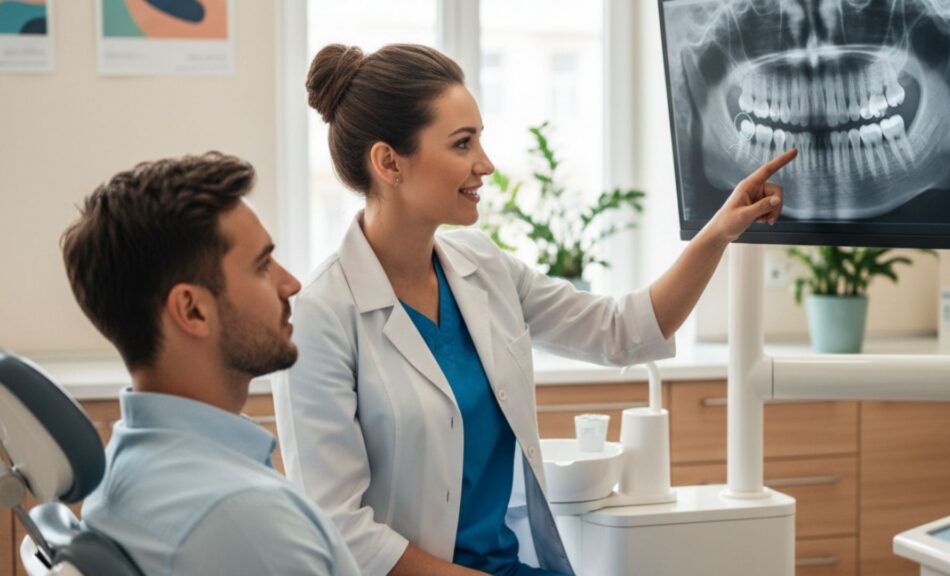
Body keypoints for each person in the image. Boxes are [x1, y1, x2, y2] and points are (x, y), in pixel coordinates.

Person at [272, 43, 795, 576]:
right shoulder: (321, 317)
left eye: (480, 139)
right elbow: (339, 528)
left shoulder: (482, 267)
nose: (486, 164)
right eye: (462, 143)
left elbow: (620, 332)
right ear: (389, 162)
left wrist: (720, 230)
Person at [62, 152, 361, 575]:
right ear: (193, 310)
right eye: (262, 266)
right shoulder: (245, 521)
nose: (290, 283)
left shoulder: (129, 464)